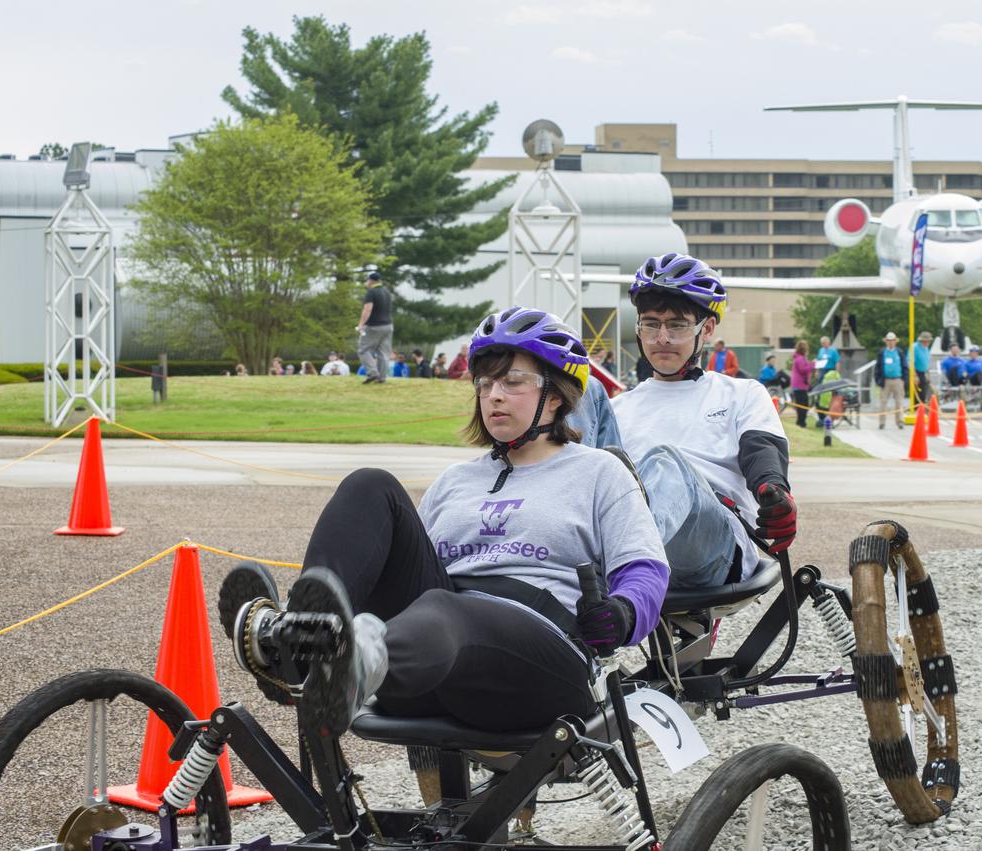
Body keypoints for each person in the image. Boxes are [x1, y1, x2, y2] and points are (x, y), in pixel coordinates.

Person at [216, 307, 669, 745]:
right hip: (431, 659)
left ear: (555, 395)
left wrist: (624, 613)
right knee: (370, 485)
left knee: (446, 610)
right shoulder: (456, 480)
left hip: (538, 662)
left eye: (512, 382)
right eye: (486, 382)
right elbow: (409, 571)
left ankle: (347, 664)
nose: (493, 394)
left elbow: (647, 569)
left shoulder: (598, 472)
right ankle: (301, 638)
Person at [611, 252, 796, 590]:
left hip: (716, 546)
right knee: (584, 391)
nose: (661, 338)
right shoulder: (618, 408)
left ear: (706, 328)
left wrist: (774, 492)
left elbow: (762, 451)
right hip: (625, 535)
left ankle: (629, 573)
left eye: (677, 325)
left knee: (666, 464)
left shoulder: (740, 393)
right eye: (651, 324)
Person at [357, 271, 394, 384]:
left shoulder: (371, 292)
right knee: (383, 352)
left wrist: (361, 324)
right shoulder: (387, 292)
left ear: (371, 281)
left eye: (367, 280)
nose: (366, 283)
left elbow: (368, 309)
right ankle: (382, 378)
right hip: (388, 326)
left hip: (374, 326)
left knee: (363, 349)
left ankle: (372, 373)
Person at [873, 331, 907, 429]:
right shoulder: (882, 352)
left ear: (895, 341)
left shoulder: (899, 352)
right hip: (886, 380)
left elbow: (904, 366)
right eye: (889, 340)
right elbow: (878, 367)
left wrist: (904, 379)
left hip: (897, 380)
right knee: (883, 402)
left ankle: (899, 421)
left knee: (899, 402)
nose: (891, 342)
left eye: (892, 340)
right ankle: (882, 422)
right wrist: (878, 380)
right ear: (886, 342)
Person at [789, 340, 814, 428]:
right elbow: (803, 369)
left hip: (799, 385)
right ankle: (801, 422)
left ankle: (801, 422)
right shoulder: (800, 358)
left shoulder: (798, 358)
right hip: (799, 386)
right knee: (803, 405)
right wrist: (812, 365)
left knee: (802, 404)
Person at [911, 331, 933, 403]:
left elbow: (926, 363)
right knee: (916, 394)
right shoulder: (914, 347)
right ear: (921, 340)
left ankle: (922, 410)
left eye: (928, 341)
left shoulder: (926, 349)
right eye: (925, 341)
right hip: (916, 372)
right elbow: (911, 362)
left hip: (923, 373)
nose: (927, 343)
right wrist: (915, 376)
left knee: (923, 393)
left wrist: (928, 374)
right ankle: (915, 410)